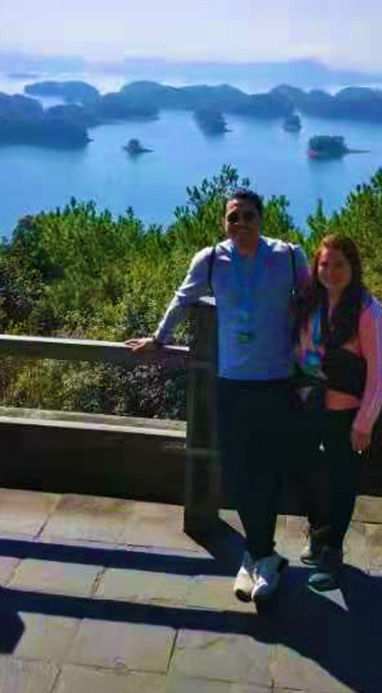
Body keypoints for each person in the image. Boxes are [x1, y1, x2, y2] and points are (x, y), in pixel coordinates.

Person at [126, 189, 309, 604]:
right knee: (237, 471)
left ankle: (257, 558)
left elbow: (315, 305)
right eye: (233, 218)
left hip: (278, 381)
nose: (241, 223)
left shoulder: (288, 256)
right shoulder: (211, 259)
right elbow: (182, 298)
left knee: (267, 470)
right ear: (224, 223)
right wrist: (158, 339)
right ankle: (262, 557)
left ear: (262, 218)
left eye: (248, 216)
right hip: (232, 381)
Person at [291, 234, 382, 592]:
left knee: (342, 481)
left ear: (353, 267)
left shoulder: (367, 310)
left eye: (339, 265)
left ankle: (332, 552)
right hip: (309, 407)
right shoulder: (309, 304)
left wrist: (365, 422)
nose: (331, 272)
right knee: (303, 469)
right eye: (324, 264)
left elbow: (379, 373)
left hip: (346, 416)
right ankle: (319, 532)